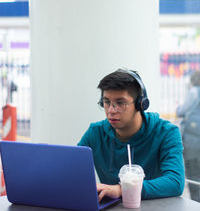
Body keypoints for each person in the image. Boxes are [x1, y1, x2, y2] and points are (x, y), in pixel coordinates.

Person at [78, 69, 185, 201]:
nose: (111, 111)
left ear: (141, 104)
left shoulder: (166, 132)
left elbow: (175, 183)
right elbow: (71, 171)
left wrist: (122, 189)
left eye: (120, 103)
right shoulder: (95, 132)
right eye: (106, 102)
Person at [176, 70, 200, 202]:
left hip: (193, 142)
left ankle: (197, 203)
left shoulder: (194, 91)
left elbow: (182, 111)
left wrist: (177, 108)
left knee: (193, 174)